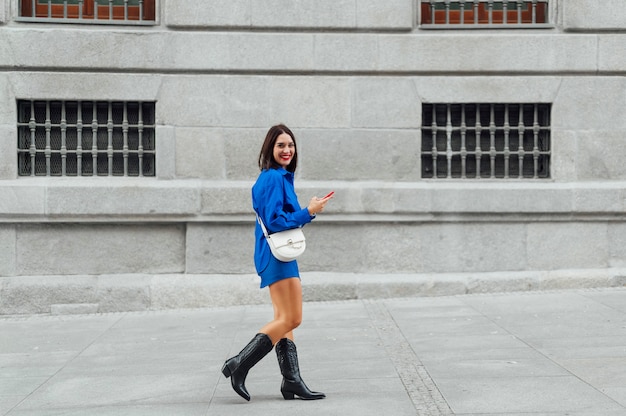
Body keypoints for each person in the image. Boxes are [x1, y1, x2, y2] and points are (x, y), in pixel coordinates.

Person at [221, 124, 332, 402]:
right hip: (276, 255)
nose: (287, 150)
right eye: (281, 145)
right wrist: (308, 211)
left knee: (285, 321)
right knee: (292, 318)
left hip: (280, 254)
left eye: (291, 145)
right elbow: (274, 221)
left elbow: (286, 215)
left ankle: (292, 381)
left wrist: (308, 208)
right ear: (270, 148)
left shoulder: (281, 178)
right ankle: (238, 364)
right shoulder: (271, 178)